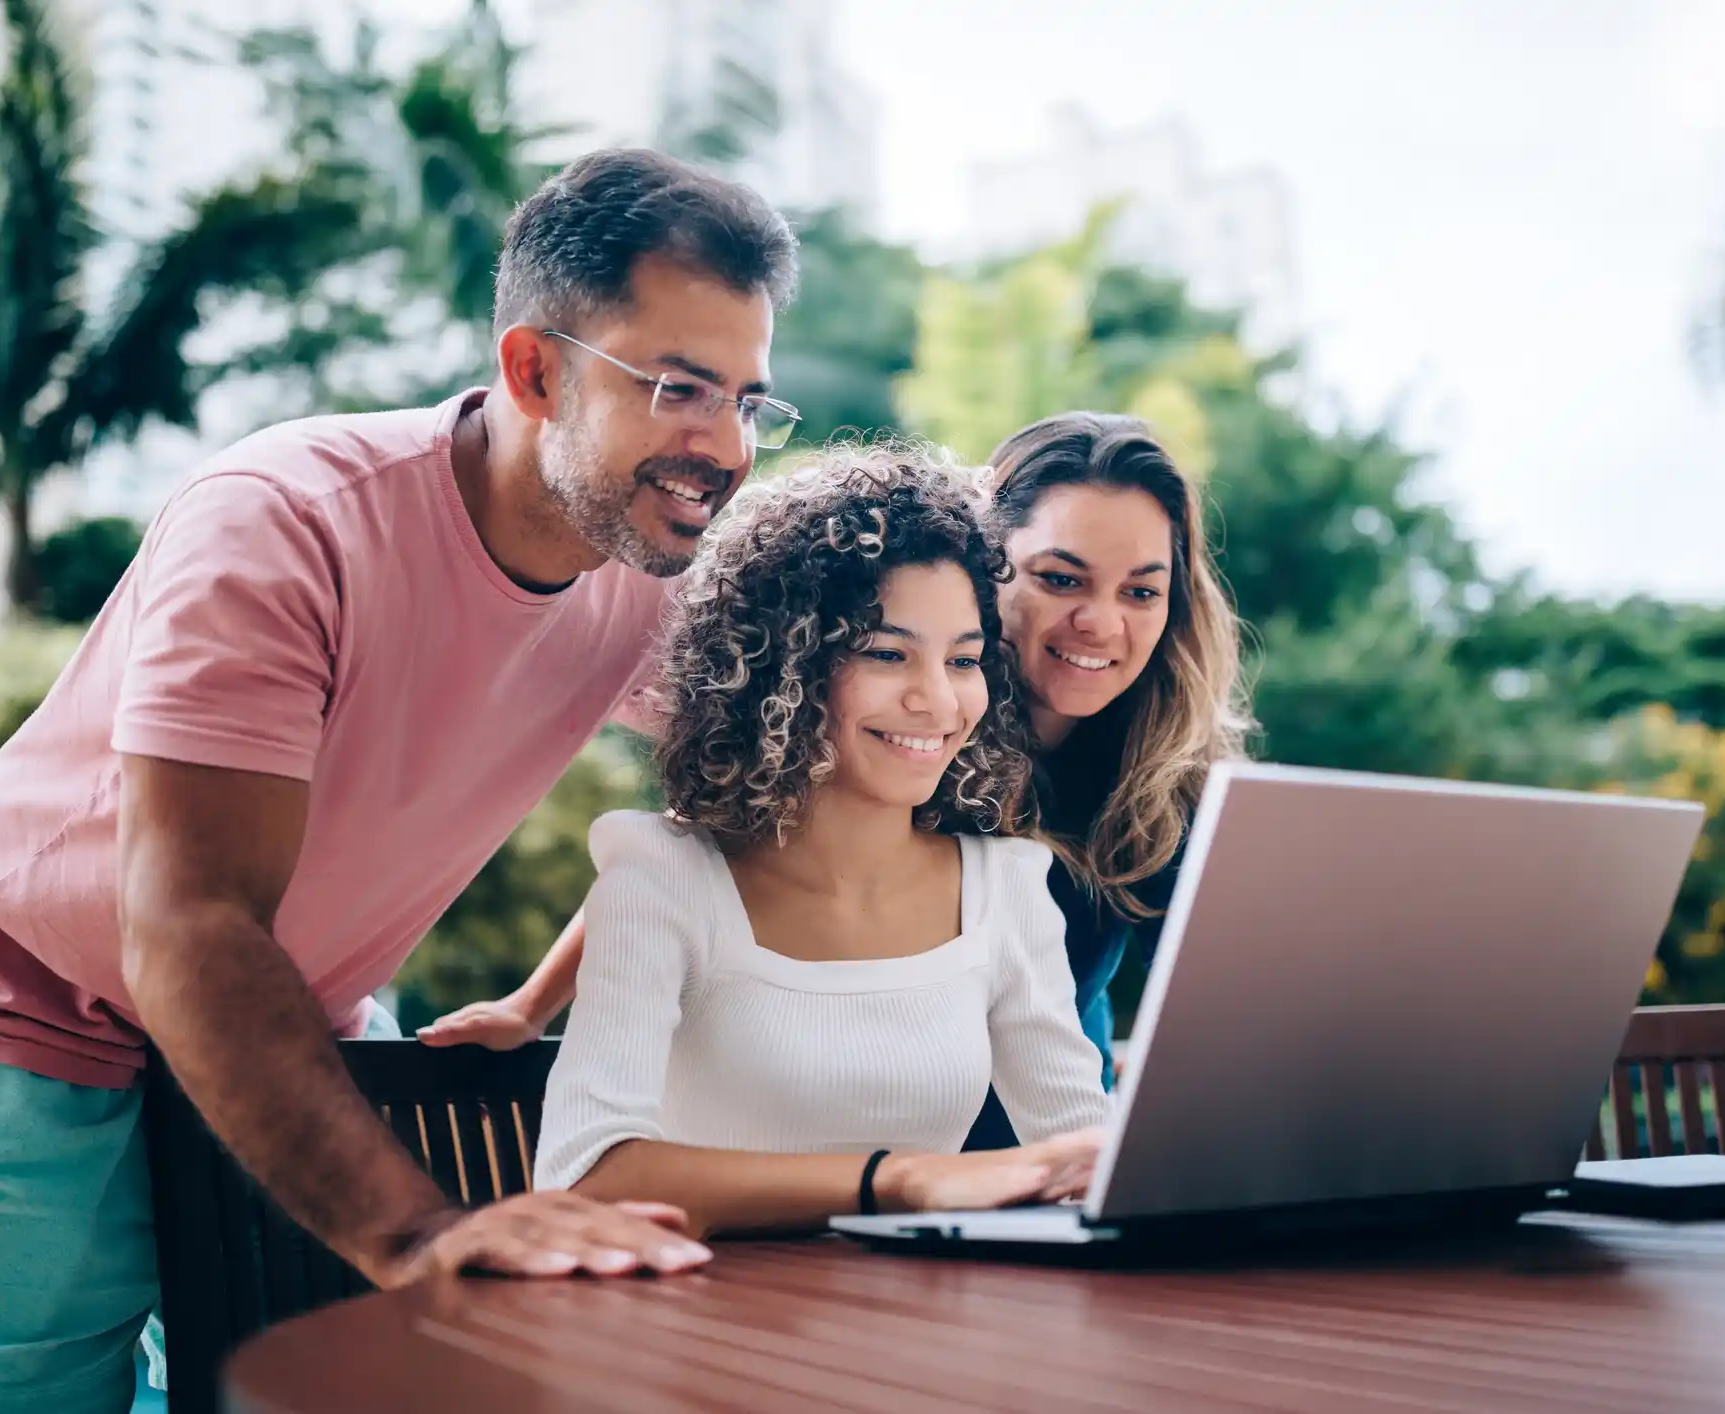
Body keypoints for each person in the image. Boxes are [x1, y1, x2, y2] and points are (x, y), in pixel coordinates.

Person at [0, 147, 798, 1414]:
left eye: (750, 402)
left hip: (297, 1038)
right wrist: (415, 1232)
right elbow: (191, 925)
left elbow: (746, 813)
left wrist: (541, 998)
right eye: (678, 388)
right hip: (23, 1029)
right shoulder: (285, 517)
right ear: (534, 370)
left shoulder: (644, 580)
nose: (720, 446)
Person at [424, 412, 1250, 1142]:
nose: (1101, 622)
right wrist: (531, 1007)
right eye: (1059, 579)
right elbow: (689, 862)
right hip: (865, 1142)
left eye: (1143, 591)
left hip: (1036, 1146)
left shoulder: (1162, 778)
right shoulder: (890, 733)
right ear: (983, 565)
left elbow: (1231, 1008)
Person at [532, 447, 1108, 1234]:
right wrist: (898, 1181)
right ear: (783, 667)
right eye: (885, 653)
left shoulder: (1005, 891)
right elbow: (583, 1178)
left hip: (920, 1332)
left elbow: (1082, 1156)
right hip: (692, 1325)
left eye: (964, 660)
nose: (937, 699)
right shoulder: (662, 878)